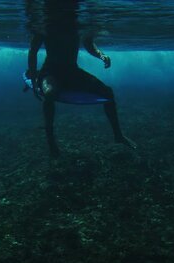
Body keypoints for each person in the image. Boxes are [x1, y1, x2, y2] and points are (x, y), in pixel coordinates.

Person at [26, 0, 136, 157]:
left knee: (108, 93)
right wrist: (36, 80)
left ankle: (118, 135)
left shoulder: (77, 22)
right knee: (50, 94)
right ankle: (51, 143)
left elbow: (88, 43)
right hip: (50, 71)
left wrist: (101, 55)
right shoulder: (47, 22)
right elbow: (33, 51)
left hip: (72, 71)